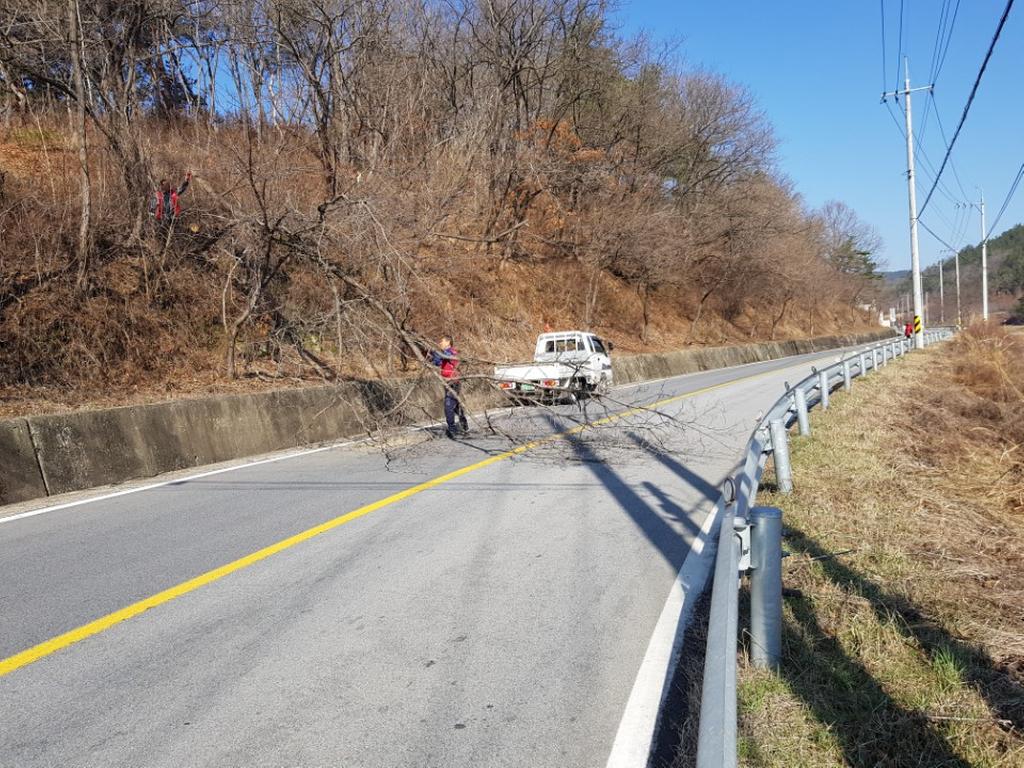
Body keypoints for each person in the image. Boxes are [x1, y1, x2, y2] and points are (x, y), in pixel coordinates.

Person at [428, 336, 468, 439]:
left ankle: (452, 429)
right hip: (446, 383)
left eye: (442, 341)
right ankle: (464, 424)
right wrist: (431, 356)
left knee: (448, 405)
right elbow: (437, 362)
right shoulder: (444, 353)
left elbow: (444, 356)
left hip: (454, 382)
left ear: (448, 342)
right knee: (455, 405)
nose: (440, 343)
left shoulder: (451, 352)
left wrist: (435, 353)